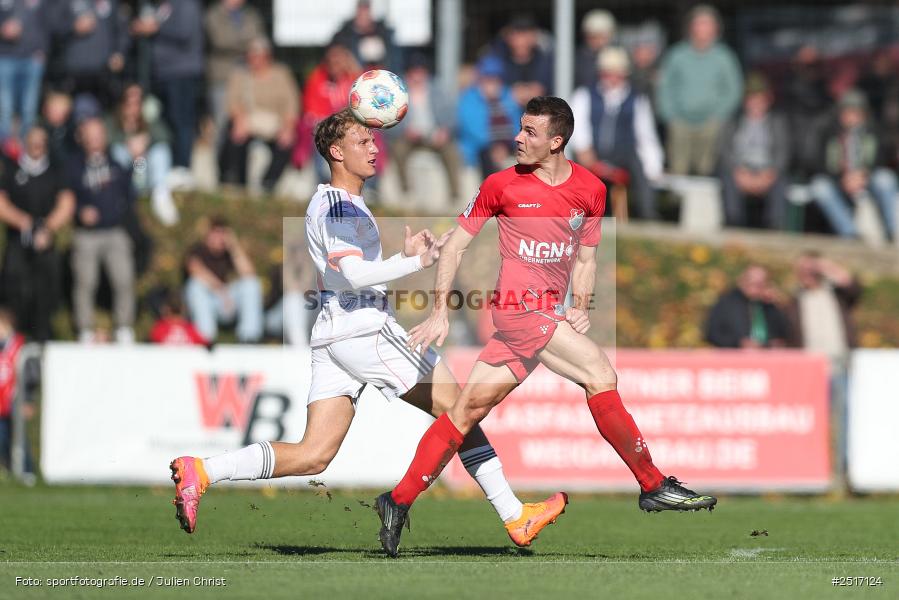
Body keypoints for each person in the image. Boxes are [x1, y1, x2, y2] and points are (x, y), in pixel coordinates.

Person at [169, 108, 566, 549]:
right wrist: (416, 261)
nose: (374, 148)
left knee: (313, 454)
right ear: (336, 152)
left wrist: (401, 255)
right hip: (365, 331)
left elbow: (348, 271)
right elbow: (353, 275)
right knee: (463, 410)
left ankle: (202, 471)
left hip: (334, 333)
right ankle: (514, 516)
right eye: (363, 142)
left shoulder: (336, 202)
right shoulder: (339, 205)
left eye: (374, 141)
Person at [374, 97, 717, 558]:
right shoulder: (500, 185)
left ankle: (396, 501)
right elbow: (454, 247)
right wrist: (439, 310)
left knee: (464, 412)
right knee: (599, 372)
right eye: (520, 128)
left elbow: (588, 257)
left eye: (530, 132)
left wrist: (582, 304)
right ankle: (652, 484)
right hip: (518, 310)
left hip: (546, 314)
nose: (518, 137)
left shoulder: (592, 189)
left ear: (556, 141)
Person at [0, 127, 75, 341]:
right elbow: (2, 202)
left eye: (41, 142)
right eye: (33, 142)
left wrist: (47, 227)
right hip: (18, 241)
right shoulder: (12, 169)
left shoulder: (55, 170)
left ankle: (43, 336)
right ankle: (13, 336)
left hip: (45, 243)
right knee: (14, 287)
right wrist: (23, 221)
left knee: (46, 290)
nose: (37, 146)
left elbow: (66, 203)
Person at [571, 47, 663, 219]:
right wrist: (586, 153)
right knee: (577, 173)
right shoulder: (584, 95)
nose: (612, 78)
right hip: (592, 153)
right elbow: (578, 128)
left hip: (623, 155)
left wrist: (653, 166)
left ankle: (648, 217)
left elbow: (646, 135)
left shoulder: (636, 99)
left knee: (642, 170)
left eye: (617, 74)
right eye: (608, 73)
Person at [68, 116, 137, 344]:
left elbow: (136, 180)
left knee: (124, 278)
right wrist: (79, 211)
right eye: (90, 136)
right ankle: (85, 329)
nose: (95, 140)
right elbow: (65, 196)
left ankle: (124, 327)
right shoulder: (74, 166)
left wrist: (139, 158)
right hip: (86, 234)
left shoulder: (117, 162)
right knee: (85, 281)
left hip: (114, 231)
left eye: (99, 135)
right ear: (82, 138)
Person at [656, 5, 742, 176]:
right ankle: (677, 204)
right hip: (680, 123)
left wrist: (719, 116)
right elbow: (664, 87)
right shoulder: (676, 55)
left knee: (707, 172)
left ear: (716, 28)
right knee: (678, 171)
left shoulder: (724, 57)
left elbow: (734, 89)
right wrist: (670, 116)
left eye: (707, 24)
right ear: (690, 27)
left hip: (712, 125)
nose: (703, 28)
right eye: (699, 24)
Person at [810, 89, 897, 241]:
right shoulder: (829, 132)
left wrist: (863, 175)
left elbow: (882, 159)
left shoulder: (875, 132)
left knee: (885, 179)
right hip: (840, 182)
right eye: (847, 112)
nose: (851, 117)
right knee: (819, 187)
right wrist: (842, 179)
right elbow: (819, 163)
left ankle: (893, 232)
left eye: (856, 112)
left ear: (864, 114)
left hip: (867, 180)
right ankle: (850, 234)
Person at [131, 0, 204, 173]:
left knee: (181, 121)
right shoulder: (158, 6)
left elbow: (184, 32)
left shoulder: (186, 4)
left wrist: (155, 28)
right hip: (159, 74)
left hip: (181, 73)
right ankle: (161, 168)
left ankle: (182, 168)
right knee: (164, 122)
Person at [218, 37, 299, 193]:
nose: (254, 60)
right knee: (234, 137)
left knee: (287, 143)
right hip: (248, 120)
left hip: (275, 122)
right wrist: (239, 119)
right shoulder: (240, 75)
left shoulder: (281, 74)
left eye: (258, 55)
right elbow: (232, 102)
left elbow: (291, 104)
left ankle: (268, 183)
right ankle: (237, 182)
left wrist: (288, 126)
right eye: (251, 55)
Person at [719, 73, 790, 229]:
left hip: (767, 171)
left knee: (782, 181)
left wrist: (769, 173)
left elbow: (783, 153)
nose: (756, 104)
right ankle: (733, 224)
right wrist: (738, 172)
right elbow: (725, 151)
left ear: (768, 100)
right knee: (726, 177)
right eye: (752, 99)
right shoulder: (734, 120)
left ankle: (774, 226)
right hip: (740, 170)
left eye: (760, 99)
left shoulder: (777, 122)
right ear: (745, 101)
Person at [387, 55, 462, 201]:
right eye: (413, 72)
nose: (417, 76)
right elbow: (390, 121)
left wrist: (445, 131)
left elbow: (452, 116)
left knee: (451, 151)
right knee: (398, 149)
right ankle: (405, 191)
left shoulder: (437, 90)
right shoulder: (398, 92)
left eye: (420, 72)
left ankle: (454, 194)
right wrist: (405, 130)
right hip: (409, 135)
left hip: (434, 134)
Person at [106, 82, 177, 225]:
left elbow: (166, 137)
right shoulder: (111, 121)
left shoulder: (149, 120)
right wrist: (129, 144)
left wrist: (146, 141)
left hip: (144, 168)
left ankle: (160, 194)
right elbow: (105, 141)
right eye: (129, 102)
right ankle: (123, 196)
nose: (133, 107)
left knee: (160, 151)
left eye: (138, 103)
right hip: (126, 173)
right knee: (118, 152)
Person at [183, 216, 263, 343]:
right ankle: (206, 338)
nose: (219, 238)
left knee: (251, 285)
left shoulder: (229, 253)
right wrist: (221, 291)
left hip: (227, 302)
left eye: (223, 234)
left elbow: (249, 274)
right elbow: (196, 271)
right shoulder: (197, 250)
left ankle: (249, 337)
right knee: (195, 286)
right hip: (209, 300)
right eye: (216, 233)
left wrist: (234, 246)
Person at [204, 0, 265, 144]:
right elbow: (220, 40)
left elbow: (258, 38)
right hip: (222, 78)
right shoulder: (214, 14)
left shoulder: (250, 13)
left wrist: (246, 45)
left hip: (249, 76)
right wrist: (247, 45)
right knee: (223, 123)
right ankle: (222, 162)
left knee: (248, 122)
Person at [786, 252, 860, 363]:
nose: (807, 272)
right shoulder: (794, 300)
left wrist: (828, 267)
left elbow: (852, 287)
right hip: (809, 363)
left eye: (811, 269)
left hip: (841, 359)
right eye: (802, 269)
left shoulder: (836, 293)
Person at [0, 0, 53, 155]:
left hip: (32, 58)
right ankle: (5, 153)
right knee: (5, 108)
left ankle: (25, 152)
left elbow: (49, 23)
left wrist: (43, 50)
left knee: (29, 109)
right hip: (5, 57)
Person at [456, 56, 522, 177]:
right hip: (479, 150)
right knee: (489, 158)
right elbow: (474, 131)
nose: (492, 83)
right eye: (488, 78)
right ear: (480, 79)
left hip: (507, 147)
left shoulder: (507, 96)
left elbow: (518, 125)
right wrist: (495, 146)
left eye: (496, 79)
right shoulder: (469, 98)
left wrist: (508, 145)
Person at [58, 0, 130, 108]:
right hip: (74, 71)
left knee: (103, 110)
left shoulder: (112, 3)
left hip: (103, 71)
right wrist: (73, 26)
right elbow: (53, 25)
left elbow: (122, 31)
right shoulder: (67, 2)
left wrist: (119, 53)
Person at [704, 265, 790, 349]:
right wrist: (739, 343)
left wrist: (778, 305)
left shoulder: (770, 306)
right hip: (735, 358)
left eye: (761, 284)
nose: (756, 288)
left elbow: (785, 334)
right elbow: (712, 334)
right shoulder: (726, 303)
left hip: (766, 358)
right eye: (752, 283)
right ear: (742, 281)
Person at [486, 15, 553, 108]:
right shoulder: (498, 59)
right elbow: (487, 86)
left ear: (534, 37)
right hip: (507, 115)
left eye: (526, 34)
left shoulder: (546, 61)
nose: (521, 40)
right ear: (508, 37)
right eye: (517, 34)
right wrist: (508, 92)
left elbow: (547, 90)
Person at [0, 305, 33, 477]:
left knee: (19, 439)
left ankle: (27, 471)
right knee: (3, 439)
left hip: (14, 401)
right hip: (1, 403)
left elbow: (29, 377)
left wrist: (28, 400)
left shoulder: (20, 345)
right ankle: (11, 468)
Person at [331, 0, 401, 72]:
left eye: (366, 10)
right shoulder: (343, 36)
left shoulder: (384, 33)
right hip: (354, 77)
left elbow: (394, 60)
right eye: (361, 11)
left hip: (382, 75)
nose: (364, 15)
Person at [574, 9, 616, 89]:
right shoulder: (578, 59)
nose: (597, 41)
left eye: (601, 36)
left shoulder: (617, 56)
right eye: (593, 37)